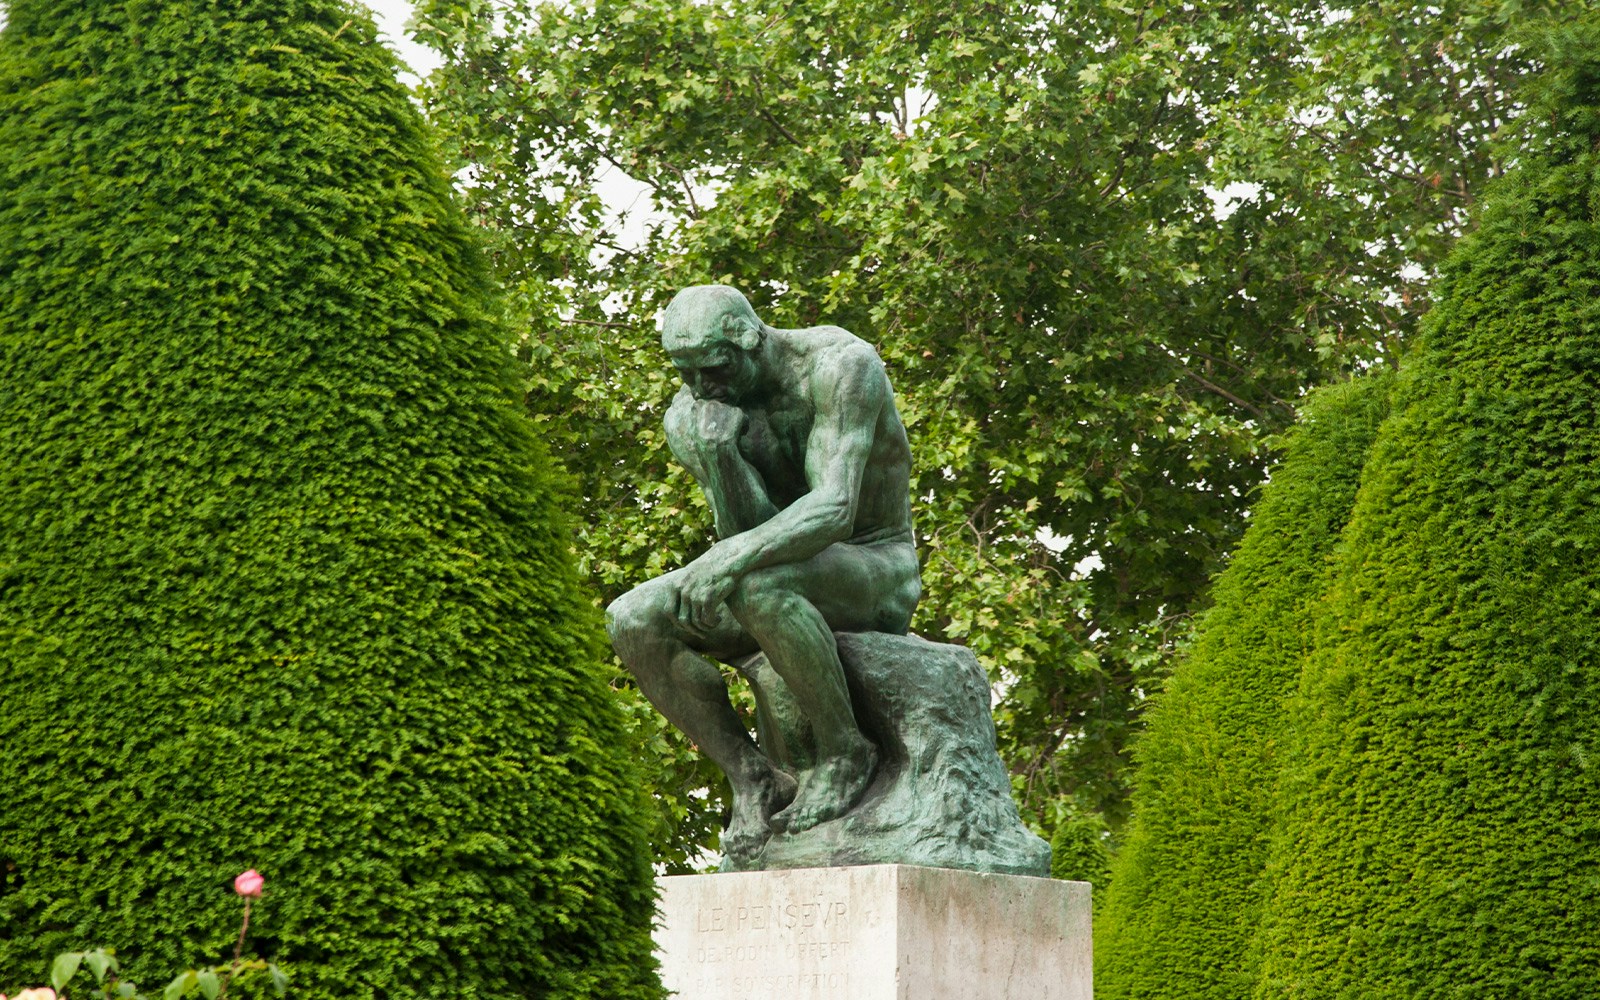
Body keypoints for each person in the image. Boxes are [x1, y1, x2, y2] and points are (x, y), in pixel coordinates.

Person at [606, 284, 921, 863]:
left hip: (875, 563)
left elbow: (834, 509)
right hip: (780, 570)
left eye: (714, 369)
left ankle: (846, 753)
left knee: (756, 580)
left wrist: (729, 560)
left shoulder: (839, 367)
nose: (702, 387)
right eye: (686, 373)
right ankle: (752, 777)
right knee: (632, 618)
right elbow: (747, 528)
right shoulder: (694, 414)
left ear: (751, 339)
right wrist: (722, 457)